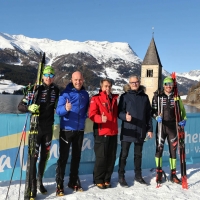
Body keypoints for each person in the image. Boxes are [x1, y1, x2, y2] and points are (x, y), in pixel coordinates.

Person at [18, 66, 59, 199]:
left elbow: (59, 106)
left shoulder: (56, 90)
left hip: (48, 128)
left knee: (44, 158)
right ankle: (32, 187)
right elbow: (20, 106)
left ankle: (40, 181)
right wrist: (28, 107)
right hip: (36, 128)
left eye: (51, 75)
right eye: (46, 75)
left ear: (54, 77)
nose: (48, 78)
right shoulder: (35, 89)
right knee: (33, 158)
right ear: (42, 77)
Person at [55, 71, 89, 196]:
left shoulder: (85, 94)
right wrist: (65, 109)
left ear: (83, 79)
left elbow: (87, 110)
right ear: (71, 80)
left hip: (79, 130)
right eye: (75, 80)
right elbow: (58, 111)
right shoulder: (65, 94)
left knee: (76, 157)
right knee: (63, 158)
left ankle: (73, 181)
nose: (78, 82)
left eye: (80, 79)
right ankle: (59, 184)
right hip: (66, 130)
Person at [118, 75, 153, 187]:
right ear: (129, 84)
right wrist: (124, 116)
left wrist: (150, 129)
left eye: (136, 82)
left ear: (139, 82)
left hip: (140, 130)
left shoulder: (145, 97)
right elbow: (119, 112)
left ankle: (138, 175)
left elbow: (148, 115)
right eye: (132, 82)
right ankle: (121, 176)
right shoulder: (124, 96)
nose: (134, 84)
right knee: (124, 155)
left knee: (138, 155)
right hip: (128, 130)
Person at [152, 76, 187, 185]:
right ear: (163, 85)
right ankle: (159, 172)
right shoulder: (157, 96)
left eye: (170, 84)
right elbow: (152, 111)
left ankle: (173, 174)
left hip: (173, 127)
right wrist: (156, 116)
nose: (168, 86)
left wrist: (184, 120)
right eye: (166, 84)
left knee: (173, 150)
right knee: (159, 149)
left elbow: (182, 111)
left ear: (173, 85)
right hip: (161, 126)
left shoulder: (176, 97)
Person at [89, 78, 119, 189]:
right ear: (101, 87)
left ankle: (107, 178)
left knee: (111, 157)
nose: (108, 88)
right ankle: (98, 179)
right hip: (101, 132)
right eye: (106, 86)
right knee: (101, 157)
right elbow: (91, 114)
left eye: (109, 86)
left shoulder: (114, 99)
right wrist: (100, 118)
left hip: (113, 132)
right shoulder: (96, 98)